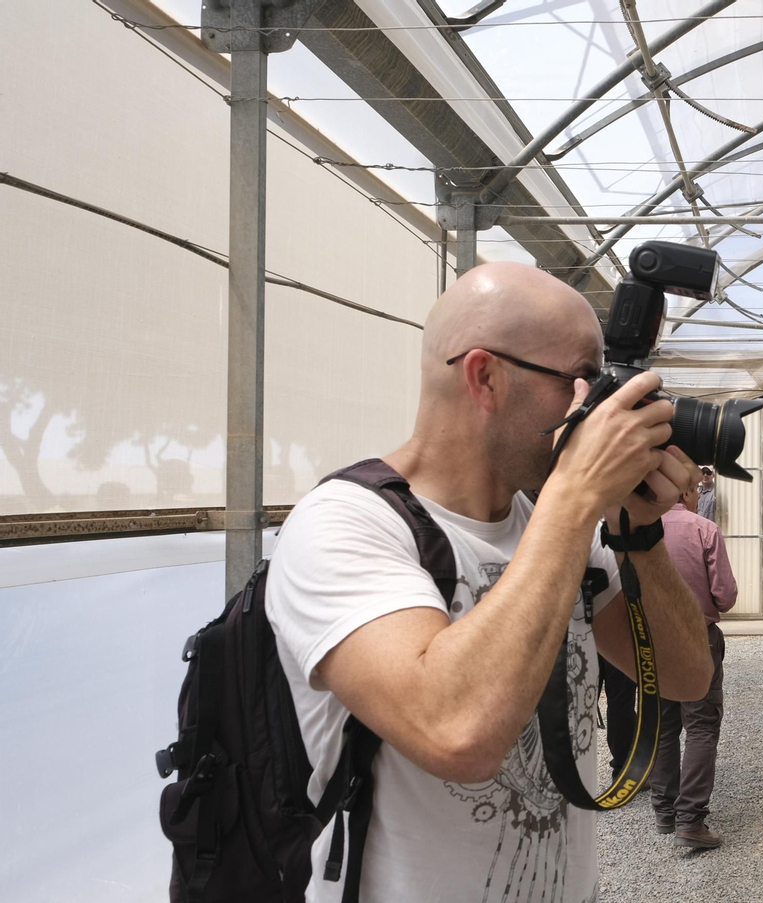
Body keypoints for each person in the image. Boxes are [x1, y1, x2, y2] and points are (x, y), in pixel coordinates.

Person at [265, 262, 715, 903]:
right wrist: (575, 496)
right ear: (485, 377)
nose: (602, 405)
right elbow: (456, 732)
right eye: (582, 379)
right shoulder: (345, 524)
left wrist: (641, 537)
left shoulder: (557, 520)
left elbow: (685, 676)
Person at [651, 484, 738, 849]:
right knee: (701, 726)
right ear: (687, 493)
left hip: (650, 642)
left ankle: (664, 810)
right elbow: (725, 596)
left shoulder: (639, 529)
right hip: (697, 636)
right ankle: (691, 820)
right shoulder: (704, 529)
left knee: (664, 725)